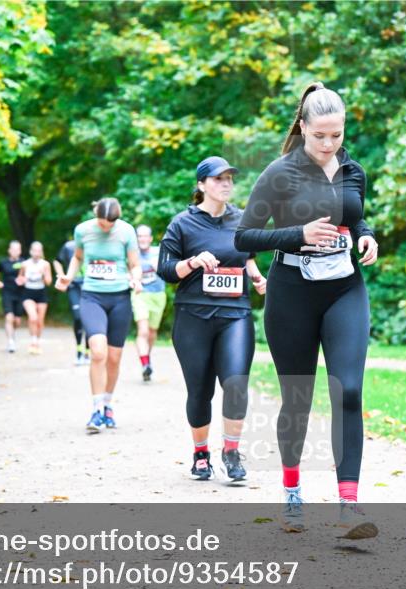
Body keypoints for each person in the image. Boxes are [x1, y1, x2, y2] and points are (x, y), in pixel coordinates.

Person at [234, 83, 380, 539]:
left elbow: (356, 216)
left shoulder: (353, 169)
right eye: (320, 135)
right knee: (297, 398)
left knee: (349, 390)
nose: (329, 145)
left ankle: (349, 506)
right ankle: (293, 492)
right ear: (302, 128)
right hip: (291, 291)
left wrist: (368, 235)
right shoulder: (280, 173)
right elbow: (244, 237)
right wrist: (296, 234)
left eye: (336, 135)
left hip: (344, 289)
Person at [158, 157, 267, 482]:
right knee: (200, 390)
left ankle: (231, 452)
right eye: (218, 179)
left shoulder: (243, 220)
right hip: (193, 315)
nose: (226, 184)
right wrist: (192, 262)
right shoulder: (182, 223)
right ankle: (201, 452)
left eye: (229, 178)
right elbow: (166, 271)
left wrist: (258, 277)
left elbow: (246, 256)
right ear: (202, 184)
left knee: (236, 383)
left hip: (235, 314)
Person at [56, 198, 143, 433]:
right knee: (98, 352)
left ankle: (107, 405)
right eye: (103, 224)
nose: (106, 228)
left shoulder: (126, 231)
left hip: (120, 299)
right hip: (92, 296)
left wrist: (136, 278)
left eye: (110, 224)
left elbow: (135, 264)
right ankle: (95, 410)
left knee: (114, 358)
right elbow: (77, 257)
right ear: (96, 215)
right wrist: (68, 276)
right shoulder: (83, 230)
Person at [132, 224, 168, 382]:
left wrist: (160, 267)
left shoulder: (159, 252)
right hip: (140, 294)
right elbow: (128, 272)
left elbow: (170, 271)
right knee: (143, 331)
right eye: (139, 236)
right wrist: (133, 280)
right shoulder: (132, 254)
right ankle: (145, 364)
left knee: (152, 333)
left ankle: (147, 359)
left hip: (158, 294)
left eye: (145, 236)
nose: (142, 239)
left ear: (150, 238)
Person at [55, 238, 90, 366]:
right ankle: (79, 350)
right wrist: (62, 276)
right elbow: (57, 261)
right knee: (77, 317)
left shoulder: (93, 245)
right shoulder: (68, 246)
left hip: (89, 286)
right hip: (74, 286)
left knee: (88, 318)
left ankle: (87, 351)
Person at [18, 241, 52, 355]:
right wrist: (22, 280)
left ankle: (37, 342)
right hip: (28, 293)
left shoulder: (45, 264)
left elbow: (48, 282)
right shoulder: (25, 264)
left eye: (39, 250)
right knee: (33, 317)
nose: (36, 253)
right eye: (34, 250)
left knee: (40, 321)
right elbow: (19, 279)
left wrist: (43, 274)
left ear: (41, 252)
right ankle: (32, 341)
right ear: (31, 251)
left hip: (41, 293)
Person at [0, 241, 26, 353]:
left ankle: (12, 333)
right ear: (9, 250)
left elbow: (30, 274)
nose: (15, 251)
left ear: (20, 251)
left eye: (18, 249)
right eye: (13, 249)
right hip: (7, 292)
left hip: (20, 293)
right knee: (9, 317)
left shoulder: (24, 262)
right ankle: (10, 341)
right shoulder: (3, 262)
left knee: (17, 320)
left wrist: (24, 279)